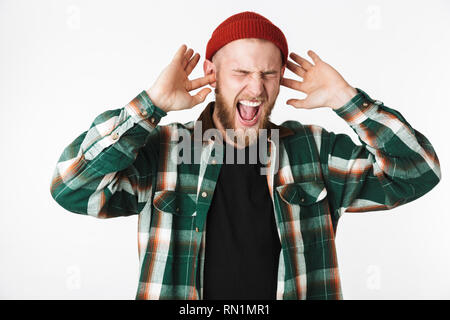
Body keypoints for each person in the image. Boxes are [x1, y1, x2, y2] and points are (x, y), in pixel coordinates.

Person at [50, 11, 441, 300]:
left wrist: (347, 101)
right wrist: (149, 107)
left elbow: (417, 172)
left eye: (269, 74)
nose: (256, 88)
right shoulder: (163, 150)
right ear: (212, 72)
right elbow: (72, 188)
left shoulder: (314, 151)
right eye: (241, 72)